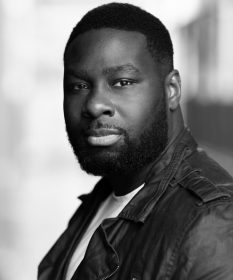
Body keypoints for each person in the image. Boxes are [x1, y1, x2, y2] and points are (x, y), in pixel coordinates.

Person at [38, 3, 233, 280]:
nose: (94, 105)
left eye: (122, 82)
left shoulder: (213, 222)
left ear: (172, 90)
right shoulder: (103, 198)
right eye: (78, 86)